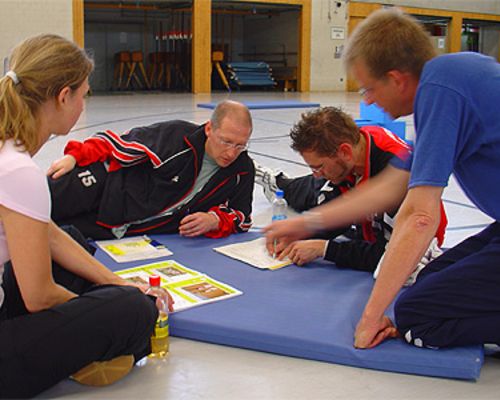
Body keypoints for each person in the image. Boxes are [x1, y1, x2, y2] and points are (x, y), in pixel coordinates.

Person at [265, 7, 500, 351]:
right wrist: (307, 224)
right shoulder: (448, 81)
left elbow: (420, 217)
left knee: (416, 316)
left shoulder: (442, 88)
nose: (368, 100)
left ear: (397, 78)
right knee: (428, 281)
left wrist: (370, 316)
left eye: (369, 88)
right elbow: (391, 184)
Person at [0, 34, 170, 397]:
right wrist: (99, 314)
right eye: (84, 95)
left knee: (75, 243)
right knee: (133, 312)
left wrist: (117, 283)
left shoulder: (7, 152)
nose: (83, 105)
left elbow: (49, 234)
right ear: (64, 96)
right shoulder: (17, 170)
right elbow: (39, 297)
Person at [256, 107, 446, 281]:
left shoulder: (396, 179)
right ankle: (277, 181)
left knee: (314, 193)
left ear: (345, 152)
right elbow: (336, 216)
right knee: (308, 193)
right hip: (365, 220)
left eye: (319, 166)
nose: (317, 173)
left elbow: (392, 256)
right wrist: (302, 233)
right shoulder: (355, 151)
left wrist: (325, 248)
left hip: (411, 239)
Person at [47, 100, 255, 240]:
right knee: (35, 205)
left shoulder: (242, 170)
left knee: (50, 239)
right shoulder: (177, 136)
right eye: (226, 141)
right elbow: (118, 143)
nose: (231, 153)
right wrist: (75, 155)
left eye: (240, 145)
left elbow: (243, 217)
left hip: (120, 230)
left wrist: (215, 220)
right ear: (209, 129)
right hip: (105, 188)